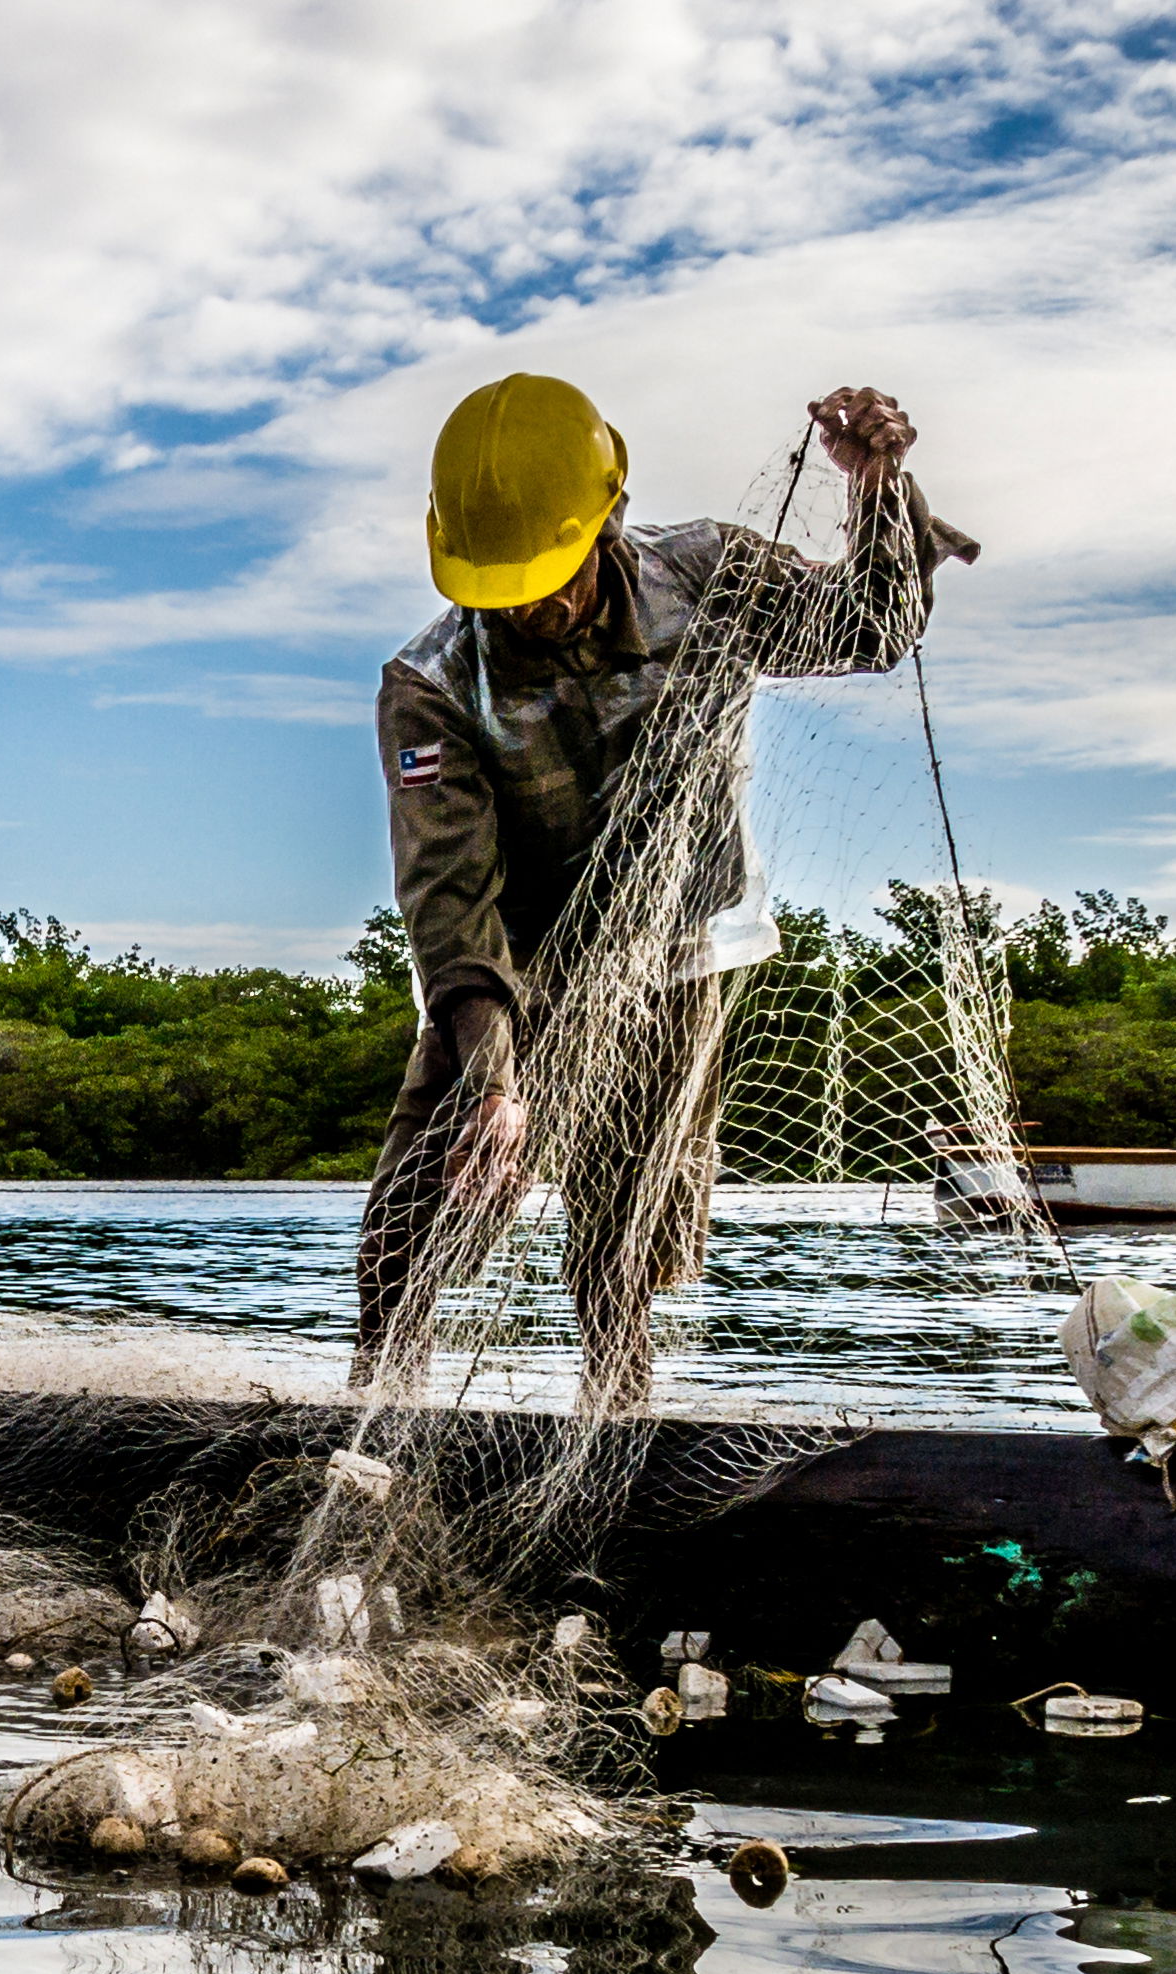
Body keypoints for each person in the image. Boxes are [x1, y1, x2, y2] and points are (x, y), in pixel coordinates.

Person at [355, 372, 975, 1408]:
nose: (533, 605)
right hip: (519, 961)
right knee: (417, 1210)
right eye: (504, 589)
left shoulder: (707, 575)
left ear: (610, 521)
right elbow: (449, 899)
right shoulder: (428, 682)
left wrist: (877, 489)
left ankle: (617, 1415)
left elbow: (867, 630)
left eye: (551, 577)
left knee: (623, 1224)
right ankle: (373, 1418)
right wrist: (497, 1088)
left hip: (685, 947)